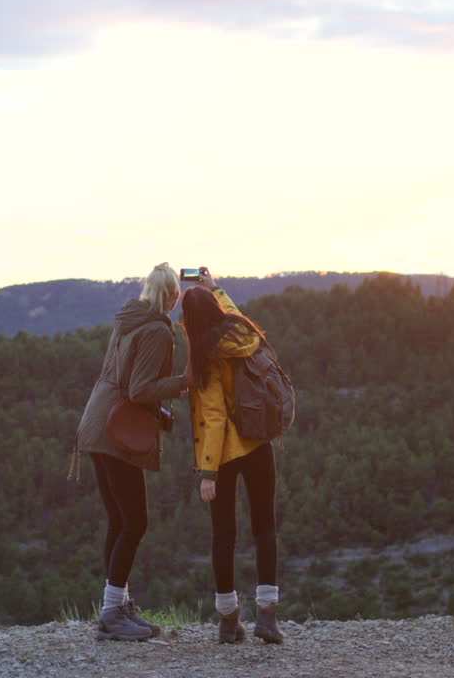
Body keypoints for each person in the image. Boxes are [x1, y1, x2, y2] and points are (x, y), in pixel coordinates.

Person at [73, 262, 187, 641]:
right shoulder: (157, 329)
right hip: (117, 431)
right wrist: (184, 382)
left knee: (119, 520)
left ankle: (117, 605)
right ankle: (111, 613)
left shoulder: (128, 320)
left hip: (96, 423)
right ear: (173, 296)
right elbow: (140, 389)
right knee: (135, 522)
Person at [180, 267, 285, 644]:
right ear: (215, 307)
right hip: (258, 444)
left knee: (224, 537)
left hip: (223, 456)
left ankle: (228, 621)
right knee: (265, 529)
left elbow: (213, 417)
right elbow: (236, 317)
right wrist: (216, 289)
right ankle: (268, 619)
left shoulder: (204, 356)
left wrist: (207, 473)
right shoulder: (243, 335)